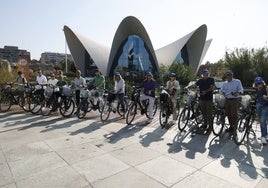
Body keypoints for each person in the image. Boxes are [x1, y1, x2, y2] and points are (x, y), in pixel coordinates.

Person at [186, 69, 215, 134]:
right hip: (202, 98)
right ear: (203, 75)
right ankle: (205, 124)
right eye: (204, 74)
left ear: (208, 74)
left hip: (208, 99)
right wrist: (188, 86)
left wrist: (205, 91)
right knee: (204, 112)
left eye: (207, 74)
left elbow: (211, 88)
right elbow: (195, 85)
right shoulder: (200, 80)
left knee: (209, 113)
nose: (206, 75)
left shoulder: (211, 79)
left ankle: (210, 127)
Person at [220, 70, 244, 137]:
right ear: (226, 76)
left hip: (234, 100)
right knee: (228, 114)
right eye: (228, 75)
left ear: (232, 75)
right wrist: (223, 92)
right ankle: (231, 127)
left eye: (230, 75)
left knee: (234, 114)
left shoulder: (237, 81)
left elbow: (241, 89)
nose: (229, 76)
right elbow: (221, 90)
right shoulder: (225, 83)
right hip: (227, 100)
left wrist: (237, 93)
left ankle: (235, 128)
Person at [253, 77, 268, 145]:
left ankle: (263, 137)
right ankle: (265, 135)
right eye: (257, 83)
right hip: (258, 106)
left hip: (265, 106)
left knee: (262, 121)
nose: (259, 84)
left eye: (260, 83)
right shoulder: (256, 88)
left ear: (262, 82)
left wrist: (266, 97)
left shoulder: (266, 88)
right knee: (262, 122)